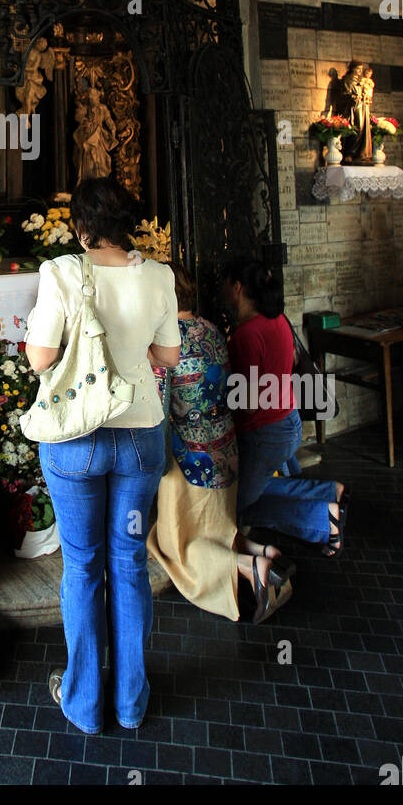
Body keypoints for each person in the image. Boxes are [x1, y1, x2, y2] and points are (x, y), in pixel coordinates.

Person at [24, 176, 180, 735]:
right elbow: (167, 354)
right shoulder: (159, 276)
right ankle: (132, 702)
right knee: (130, 562)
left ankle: (86, 703)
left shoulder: (62, 272)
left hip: (77, 440)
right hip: (140, 435)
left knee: (82, 566)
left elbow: (41, 359)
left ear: (82, 226)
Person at [147, 263, 294, 625]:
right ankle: (264, 550)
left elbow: (158, 404)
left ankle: (251, 566)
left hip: (189, 461)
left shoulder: (164, 342)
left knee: (176, 545)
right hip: (226, 451)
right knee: (218, 529)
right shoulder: (211, 329)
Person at [224, 256, 349, 556]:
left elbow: (249, 399)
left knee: (236, 508)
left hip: (266, 432)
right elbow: (290, 362)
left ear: (237, 288)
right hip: (288, 420)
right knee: (256, 489)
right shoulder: (278, 320)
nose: (222, 290)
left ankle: (322, 520)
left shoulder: (245, 335)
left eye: (225, 285)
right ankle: (328, 492)